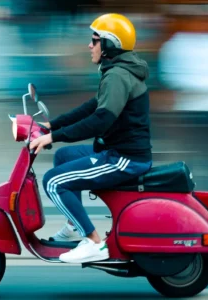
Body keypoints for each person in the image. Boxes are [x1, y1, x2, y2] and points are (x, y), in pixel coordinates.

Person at [30, 13, 152, 263]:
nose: (89, 45)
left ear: (109, 45)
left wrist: (55, 135)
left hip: (125, 158)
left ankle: (94, 243)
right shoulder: (117, 71)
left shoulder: (118, 76)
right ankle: (74, 225)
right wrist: (51, 125)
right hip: (116, 151)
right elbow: (91, 107)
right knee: (63, 157)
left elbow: (100, 120)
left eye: (95, 40)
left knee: (54, 182)